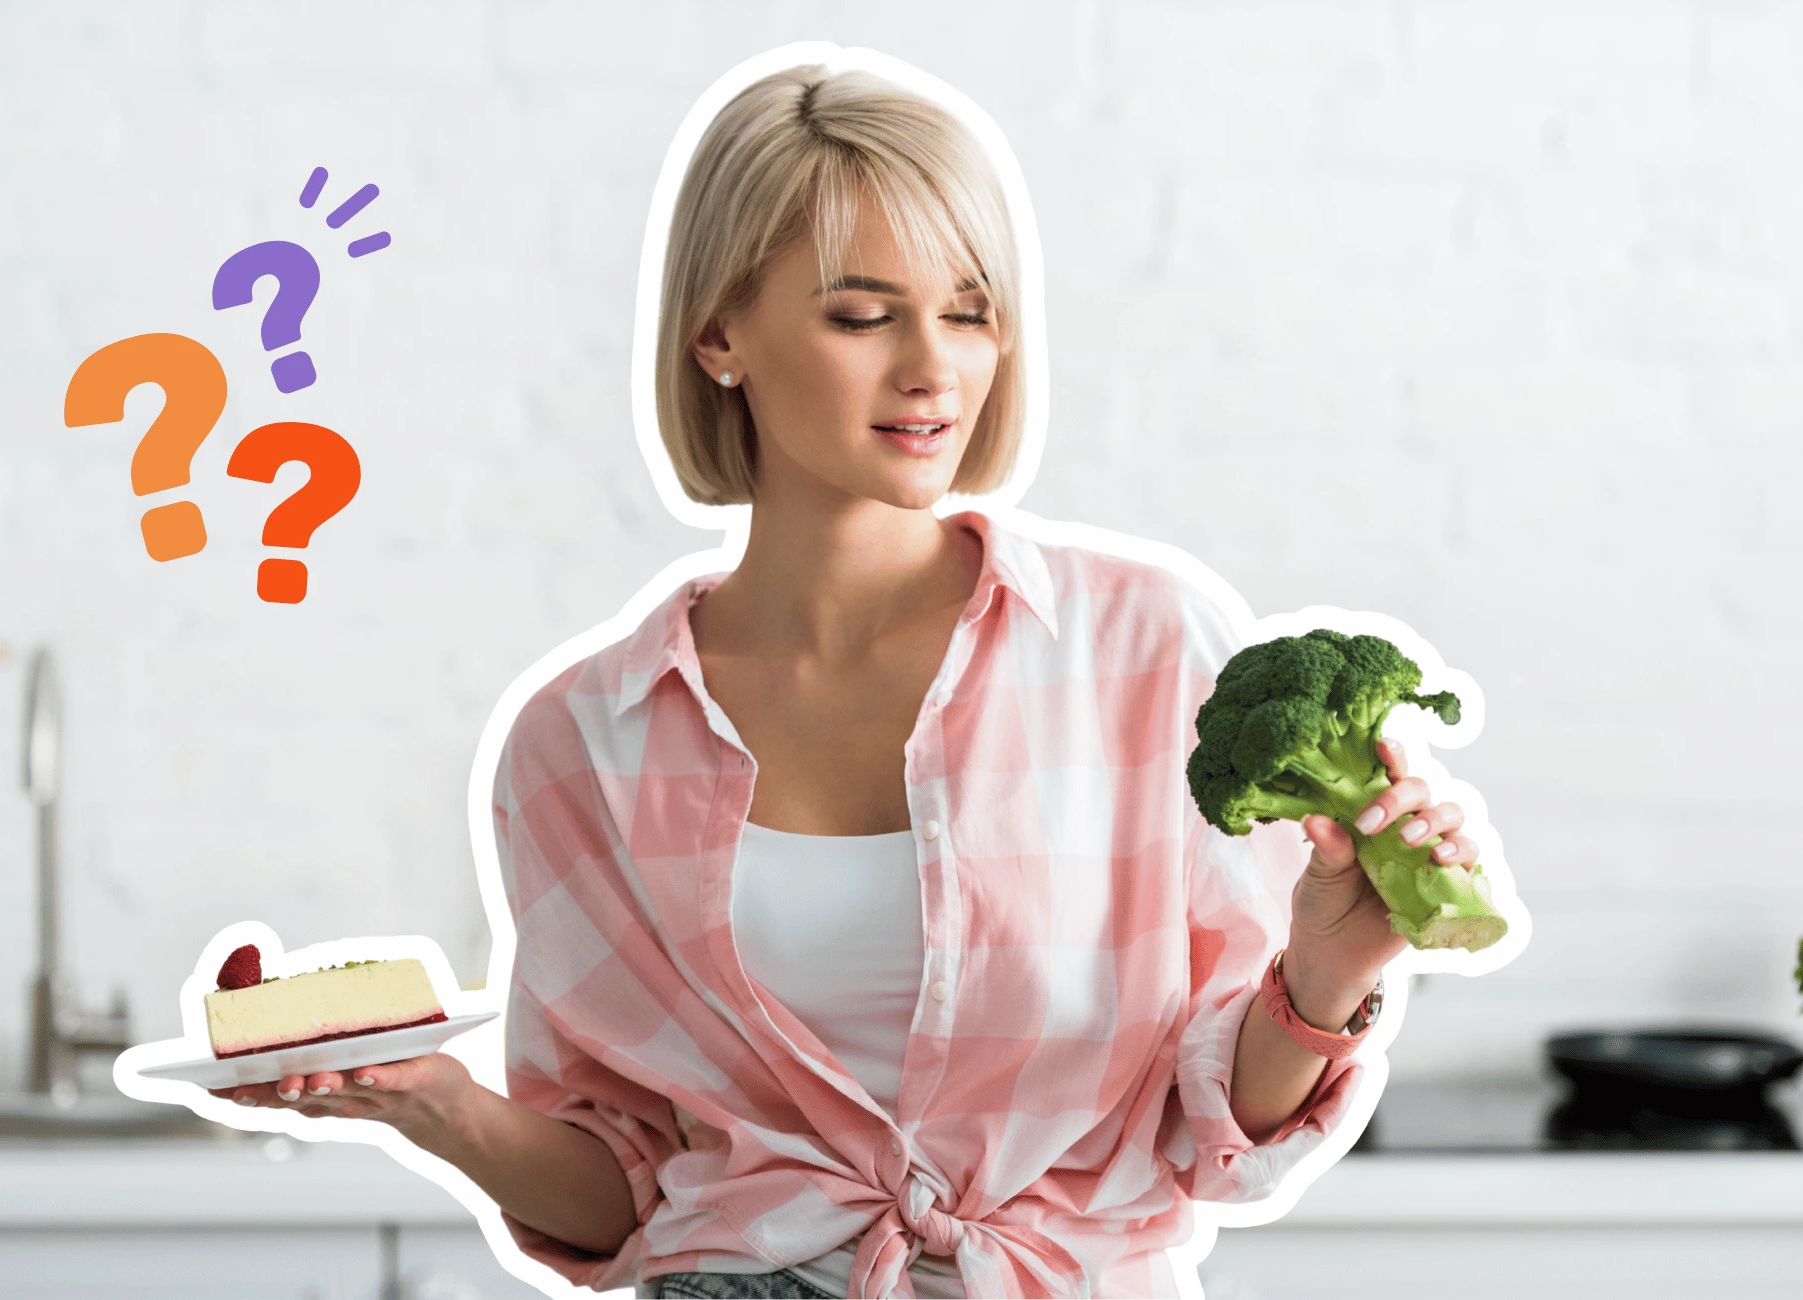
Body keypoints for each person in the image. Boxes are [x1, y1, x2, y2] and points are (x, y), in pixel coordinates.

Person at [213, 62, 1479, 1298]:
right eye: (863, 315)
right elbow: (626, 1188)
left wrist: (1325, 970)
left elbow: (1217, 1134)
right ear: (719, 334)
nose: (934, 366)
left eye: (971, 311)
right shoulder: (581, 741)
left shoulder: (1149, 652)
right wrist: (434, 1108)